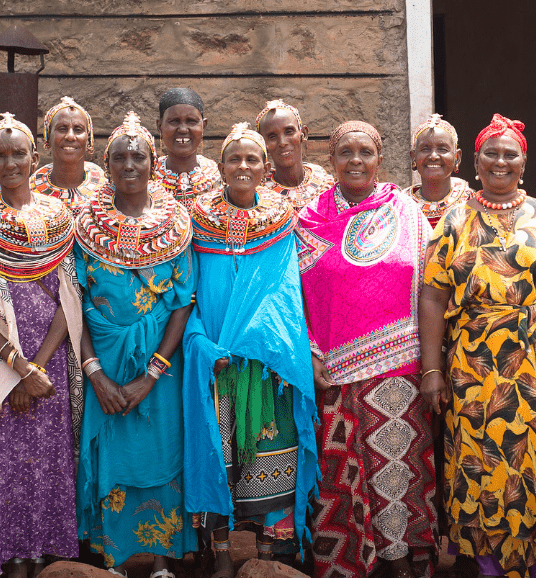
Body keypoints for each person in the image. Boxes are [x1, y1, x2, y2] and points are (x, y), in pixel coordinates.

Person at [419, 113, 536, 578]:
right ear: (475, 161)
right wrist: (431, 370)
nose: (500, 162)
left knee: (535, 468)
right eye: (491, 153)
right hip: (473, 370)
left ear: (525, 162)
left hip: (535, 369)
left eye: (510, 154)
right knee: (477, 466)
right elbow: (432, 295)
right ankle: (486, 567)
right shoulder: (454, 217)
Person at [299, 121, 437, 578]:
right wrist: (311, 352)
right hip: (331, 369)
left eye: (365, 151)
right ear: (331, 159)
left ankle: (400, 562)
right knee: (340, 476)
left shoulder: (407, 213)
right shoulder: (309, 219)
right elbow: (296, 294)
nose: (355, 160)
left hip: (398, 368)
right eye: (345, 152)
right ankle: (349, 565)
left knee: (396, 469)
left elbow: (428, 289)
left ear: (380, 159)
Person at [182, 123, 319, 577]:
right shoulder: (197, 219)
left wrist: (263, 345)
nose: (243, 166)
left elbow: (285, 292)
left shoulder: (281, 219)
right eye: (234, 159)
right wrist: (203, 344)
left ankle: (270, 554)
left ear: (265, 168)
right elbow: (190, 292)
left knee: (273, 449)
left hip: (266, 362)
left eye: (252, 159)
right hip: (214, 359)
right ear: (220, 167)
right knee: (214, 450)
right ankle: (219, 554)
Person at [73, 112, 196, 578]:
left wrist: (152, 374)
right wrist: (94, 372)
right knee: (112, 456)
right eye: (119, 157)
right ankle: (115, 558)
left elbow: (183, 302)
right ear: (106, 164)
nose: (130, 165)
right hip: (102, 359)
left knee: (163, 453)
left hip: (159, 366)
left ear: (153, 163)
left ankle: (162, 561)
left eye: (138, 156)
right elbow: (76, 303)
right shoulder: (85, 226)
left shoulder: (175, 222)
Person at [0, 114, 84, 578]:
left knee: (46, 459)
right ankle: (5, 562)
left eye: (19, 153)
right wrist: (17, 368)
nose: (10, 162)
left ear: (35, 158)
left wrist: (38, 368)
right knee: (0, 462)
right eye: (0, 155)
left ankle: (38, 559)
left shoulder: (58, 217)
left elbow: (68, 296)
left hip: (49, 360)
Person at [31, 96, 106, 215]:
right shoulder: (32, 194)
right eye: (62, 129)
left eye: (78, 129)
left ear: (88, 140)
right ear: (48, 138)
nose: (70, 136)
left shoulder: (105, 192)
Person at [254, 99, 334, 208]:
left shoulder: (325, 185)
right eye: (272, 137)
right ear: (263, 144)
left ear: (303, 134)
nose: (282, 143)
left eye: (289, 132)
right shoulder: (259, 194)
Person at [154, 87, 222, 207]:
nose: (183, 129)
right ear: (160, 126)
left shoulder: (219, 178)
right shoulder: (148, 178)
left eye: (191, 121)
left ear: (203, 126)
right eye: (174, 121)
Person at [405, 114, 470, 227]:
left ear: (457, 157)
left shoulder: (471, 203)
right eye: (425, 149)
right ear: (413, 157)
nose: (433, 156)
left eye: (442, 149)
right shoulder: (402, 205)